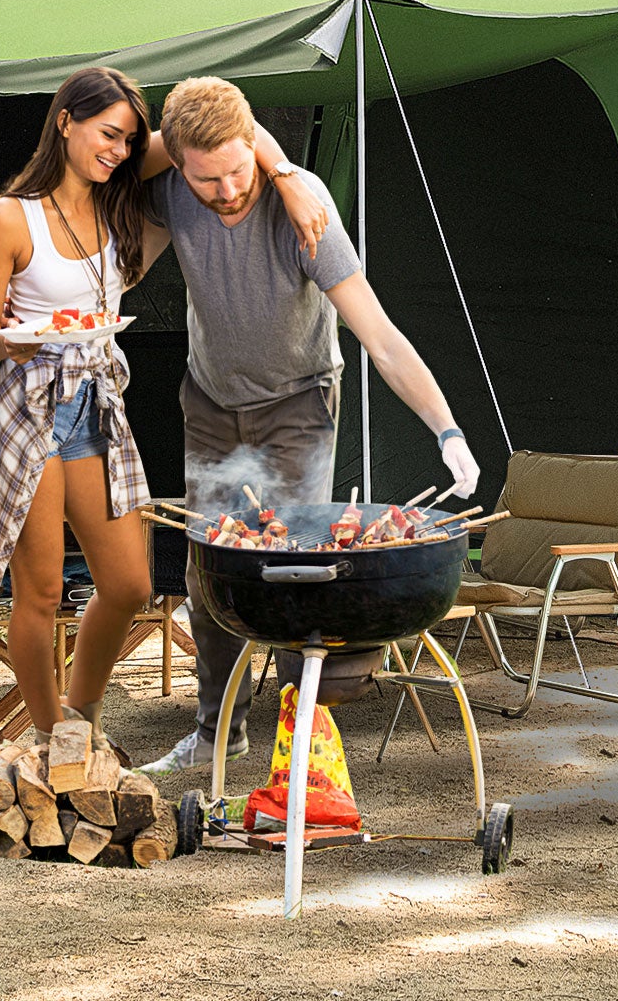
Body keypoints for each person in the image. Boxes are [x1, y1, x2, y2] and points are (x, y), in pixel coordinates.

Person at [0, 67, 322, 742]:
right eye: (107, 134)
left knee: (128, 584)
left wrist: (290, 179)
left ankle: (81, 712)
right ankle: (52, 740)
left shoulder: (118, 195)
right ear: (65, 121)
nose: (120, 151)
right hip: (28, 407)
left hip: (94, 404)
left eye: (128, 139)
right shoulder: (10, 218)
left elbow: (226, 127)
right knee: (38, 593)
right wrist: (8, 340)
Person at [137, 76, 480, 780]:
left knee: (297, 572)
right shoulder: (171, 190)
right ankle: (217, 734)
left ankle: (303, 754)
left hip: (298, 402)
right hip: (208, 401)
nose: (229, 189)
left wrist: (447, 430)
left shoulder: (304, 210)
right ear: (177, 164)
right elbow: (108, 165)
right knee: (211, 572)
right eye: (208, 178)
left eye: (239, 169)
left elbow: (379, 336)